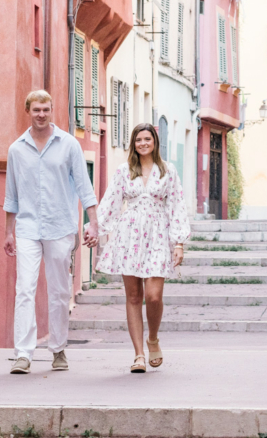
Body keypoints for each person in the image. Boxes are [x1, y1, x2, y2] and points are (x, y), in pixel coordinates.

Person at [3, 89, 99, 374]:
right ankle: (23, 353)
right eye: (36, 110)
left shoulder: (69, 145)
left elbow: (84, 187)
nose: (41, 114)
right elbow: (12, 195)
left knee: (58, 291)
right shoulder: (16, 149)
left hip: (60, 227)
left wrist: (93, 223)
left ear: (52, 110)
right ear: (28, 111)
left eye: (46, 109)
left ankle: (58, 349)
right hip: (29, 228)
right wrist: (9, 232)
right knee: (24, 289)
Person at [95, 123, 189, 373]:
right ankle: (138, 354)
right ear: (133, 143)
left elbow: (177, 205)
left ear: (155, 142)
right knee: (134, 297)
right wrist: (97, 228)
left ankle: (153, 338)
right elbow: (111, 201)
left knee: (154, 296)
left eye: (147, 139)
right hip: (129, 236)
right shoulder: (124, 170)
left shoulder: (168, 170)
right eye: (138, 139)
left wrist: (178, 242)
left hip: (158, 235)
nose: (143, 143)